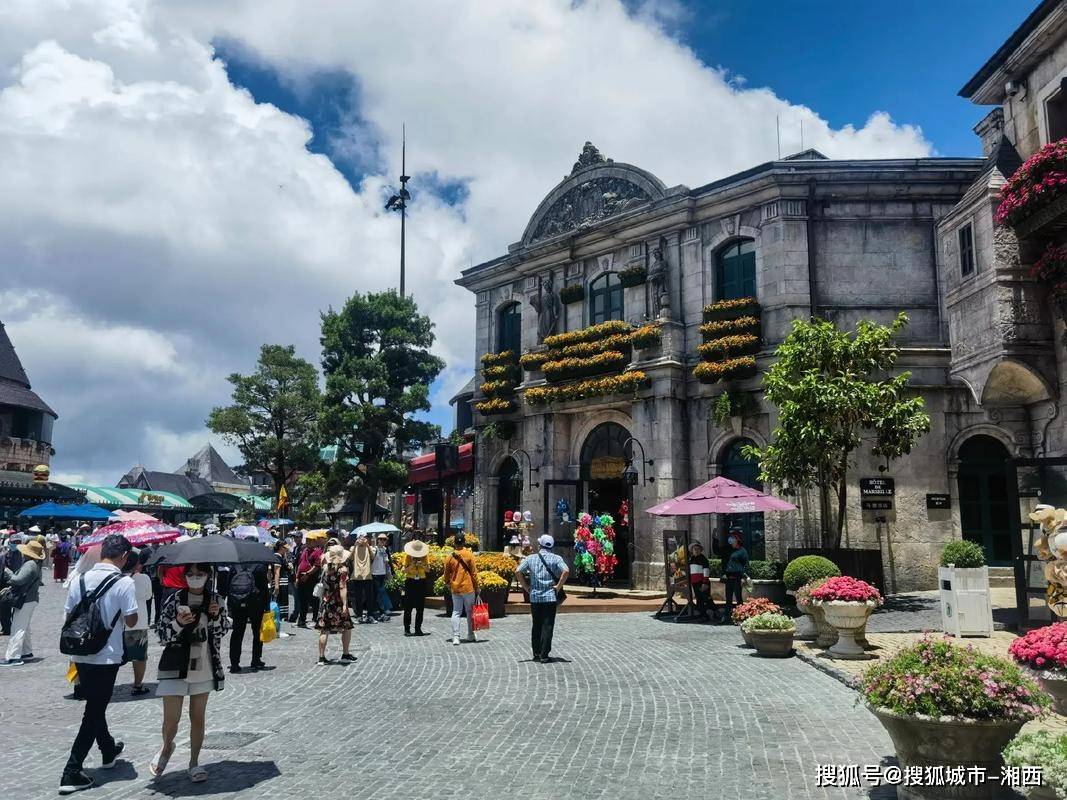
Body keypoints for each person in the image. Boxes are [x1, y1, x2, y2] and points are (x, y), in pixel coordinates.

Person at [59, 534, 138, 795]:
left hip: (80, 651)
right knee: (93, 711)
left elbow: (68, 615)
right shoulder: (124, 582)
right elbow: (131, 621)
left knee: (96, 704)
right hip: (106, 654)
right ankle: (71, 771)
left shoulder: (79, 579)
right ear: (124, 556)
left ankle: (107, 750)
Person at [150, 563, 231, 783]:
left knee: (197, 716)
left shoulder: (216, 601)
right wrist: (177, 623)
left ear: (208, 576)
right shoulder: (174, 599)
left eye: (200, 574)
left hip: (203, 664)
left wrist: (215, 617)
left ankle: (194, 762)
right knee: (171, 719)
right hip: (175, 664)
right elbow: (162, 635)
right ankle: (167, 746)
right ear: (185, 576)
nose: (195, 578)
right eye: (191, 574)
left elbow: (222, 630)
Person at [516, 535, 569, 664]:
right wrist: (558, 586)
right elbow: (566, 570)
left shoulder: (531, 558)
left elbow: (518, 571)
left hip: (535, 597)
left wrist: (526, 587)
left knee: (536, 625)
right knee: (548, 625)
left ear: (540, 545)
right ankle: (544, 654)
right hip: (550, 596)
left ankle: (536, 652)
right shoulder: (556, 558)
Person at [1, 537, 45, 665]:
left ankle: (13, 657)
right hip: (30, 599)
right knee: (24, 626)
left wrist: (7, 572)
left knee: (17, 627)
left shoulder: (30, 564)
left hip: (26, 600)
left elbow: (18, 580)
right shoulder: (34, 564)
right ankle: (27, 652)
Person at [226, 558, 269, 673]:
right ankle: (255, 659)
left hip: (237, 603)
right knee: (257, 632)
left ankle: (234, 663)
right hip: (256, 603)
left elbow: (228, 586)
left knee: (237, 632)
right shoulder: (260, 566)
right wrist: (267, 606)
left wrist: (230, 606)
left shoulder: (235, 566)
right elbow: (264, 587)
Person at [315, 545, 354, 665]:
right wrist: (344, 604)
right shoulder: (343, 570)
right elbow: (342, 588)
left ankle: (321, 658)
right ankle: (345, 653)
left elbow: (323, 561)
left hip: (326, 601)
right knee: (346, 627)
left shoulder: (325, 568)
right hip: (337, 601)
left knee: (324, 630)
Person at [124, 549, 153, 694]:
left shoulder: (116, 578)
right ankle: (137, 684)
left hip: (119, 624)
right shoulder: (143, 578)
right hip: (139, 622)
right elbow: (148, 596)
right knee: (139, 657)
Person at [443, 533, 479, 646]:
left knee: (456, 611)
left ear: (454, 543)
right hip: (468, 587)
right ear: (464, 542)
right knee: (469, 611)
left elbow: (446, 573)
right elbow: (474, 573)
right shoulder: (469, 555)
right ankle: (470, 634)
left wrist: (448, 583)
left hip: (455, 587)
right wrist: (477, 586)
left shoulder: (450, 557)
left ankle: (456, 637)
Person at [716, 530, 750, 624]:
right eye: (730, 538)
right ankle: (726, 617)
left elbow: (746, 565)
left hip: (737, 578)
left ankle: (741, 617)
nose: (731, 540)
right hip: (728, 578)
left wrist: (744, 577)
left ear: (737, 540)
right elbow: (717, 551)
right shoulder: (728, 550)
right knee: (728, 599)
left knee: (738, 598)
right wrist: (715, 539)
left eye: (733, 538)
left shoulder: (742, 551)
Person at [401, 536, 430, 637]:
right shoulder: (408, 556)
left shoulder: (425, 556)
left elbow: (428, 570)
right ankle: (407, 628)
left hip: (421, 581)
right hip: (410, 581)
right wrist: (412, 565)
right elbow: (404, 571)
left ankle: (418, 628)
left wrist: (422, 565)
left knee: (420, 607)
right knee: (408, 606)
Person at [688, 541, 718, 623]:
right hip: (695, 583)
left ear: (701, 550)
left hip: (702, 582)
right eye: (695, 549)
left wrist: (705, 583)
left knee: (705, 599)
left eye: (698, 549)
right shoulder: (691, 559)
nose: (696, 550)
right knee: (700, 599)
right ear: (692, 550)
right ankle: (711, 612)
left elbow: (706, 571)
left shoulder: (703, 559)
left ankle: (706, 615)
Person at [295, 539, 323, 627]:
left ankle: (315, 619)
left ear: (315, 542)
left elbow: (317, 566)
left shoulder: (318, 552)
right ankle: (302, 620)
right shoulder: (304, 551)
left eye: (310, 541)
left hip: (311, 579)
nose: (308, 543)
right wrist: (297, 577)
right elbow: (300, 564)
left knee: (313, 600)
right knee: (302, 600)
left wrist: (307, 574)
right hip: (301, 579)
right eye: (307, 541)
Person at [350, 533, 376, 624]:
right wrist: (355, 545)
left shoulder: (371, 548)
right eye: (360, 538)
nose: (362, 540)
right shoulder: (354, 548)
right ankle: (359, 616)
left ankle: (370, 615)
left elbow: (373, 556)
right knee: (358, 597)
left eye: (364, 538)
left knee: (370, 597)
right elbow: (350, 557)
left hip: (367, 575)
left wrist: (367, 545)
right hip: (357, 576)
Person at [269, 541, 291, 637]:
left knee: (279, 606)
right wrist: (277, 586)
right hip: (281, 584)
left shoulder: (278, 557)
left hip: (281, 583)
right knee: (279, 607)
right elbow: (276, 573)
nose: (286, 550)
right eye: (285, 548)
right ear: (281, 548)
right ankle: (277, 631)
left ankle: (277, 630)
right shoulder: (277, 557)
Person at [371, 532, 393, 621]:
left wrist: (389, 573)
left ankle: (377, 610)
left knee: (378, 593)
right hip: (375, 573)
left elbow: (387, 563)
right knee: (381, 591)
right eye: (381, 539)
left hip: (382, 573)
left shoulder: (385, 550)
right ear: (378, 540)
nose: (383, 541)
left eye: (385, 540)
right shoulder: (374, 549)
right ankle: (385, 609)